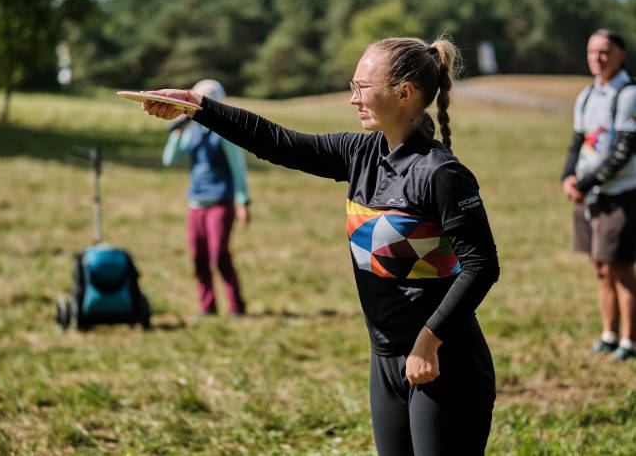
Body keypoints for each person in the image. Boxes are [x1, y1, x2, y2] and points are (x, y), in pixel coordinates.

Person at [142, 37, 499, 455]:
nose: (353, 99)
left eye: (362, 88)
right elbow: (275, 141)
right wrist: (196, 105)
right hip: (385, 360)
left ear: (404, 93)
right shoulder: (361, 155)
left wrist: (429, 341)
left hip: (444, 361)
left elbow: (482, 265)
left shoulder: (441, 174)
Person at [561, 29, 636, 361]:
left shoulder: (629, 94)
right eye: (592, 51)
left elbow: (622, 151)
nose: (597, 58)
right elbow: (578, 143)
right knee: (600, 268)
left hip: (619, 194)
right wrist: (567, 177)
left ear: (620, 54)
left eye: (605, 51)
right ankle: (608, 335)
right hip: (589, 196)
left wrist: (585, 184)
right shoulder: (587, 96)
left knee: (621, 269)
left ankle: (629, 341)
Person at [162, 79, 249, 317]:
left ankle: (236, 307)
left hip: (221, 202)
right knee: (198, 258)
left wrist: (243, 201)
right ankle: (207, 307)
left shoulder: (224, 133)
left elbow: (238, 168)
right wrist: (178, 130)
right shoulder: (192, 132)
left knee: (219, 255)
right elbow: (169, 159)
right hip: (196, 203)